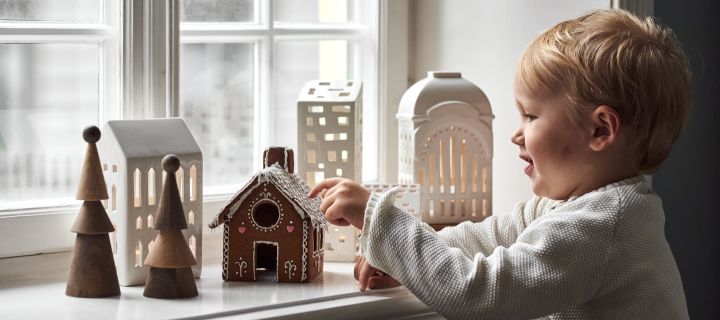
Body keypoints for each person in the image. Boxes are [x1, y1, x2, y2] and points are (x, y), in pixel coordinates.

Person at [308, 8, 691, 320]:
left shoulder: (602, 227)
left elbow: (480, 294)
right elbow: (487, 237)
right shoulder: (575, 207)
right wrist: (398, 258)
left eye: (531, 116)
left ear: (600, 129)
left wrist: (380, 219)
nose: (516, 134)